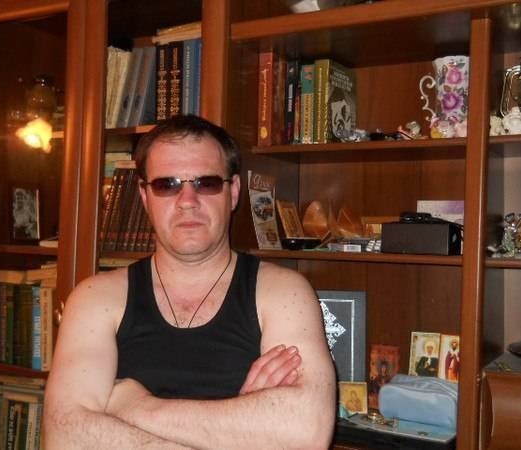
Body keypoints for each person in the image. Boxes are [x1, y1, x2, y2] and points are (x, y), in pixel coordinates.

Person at [44, 115, 336, 449]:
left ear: (233, 192)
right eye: (167, 185)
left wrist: (137, 407)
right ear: (145, 196)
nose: (187, 201)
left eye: (206, 183)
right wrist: (241, 433)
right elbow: (65, 436)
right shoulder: (95, 298)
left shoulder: (284, 293)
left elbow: (307, 431)